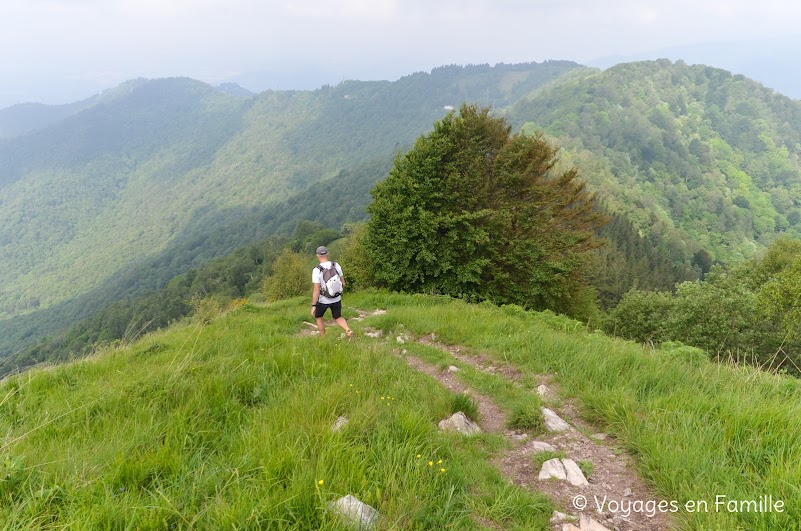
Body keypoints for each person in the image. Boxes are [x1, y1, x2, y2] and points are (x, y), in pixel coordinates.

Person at [311, 245, 353, 338]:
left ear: (317, 256)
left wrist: (314, 305)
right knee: (338, 317)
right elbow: (343, 283)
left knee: (318, 317)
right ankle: (348, 330)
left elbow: (316, 289)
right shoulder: (336, 265)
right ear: (328, 254)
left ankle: (323, 338)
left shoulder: (316, 270)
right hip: (336, 298)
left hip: (323, 300)